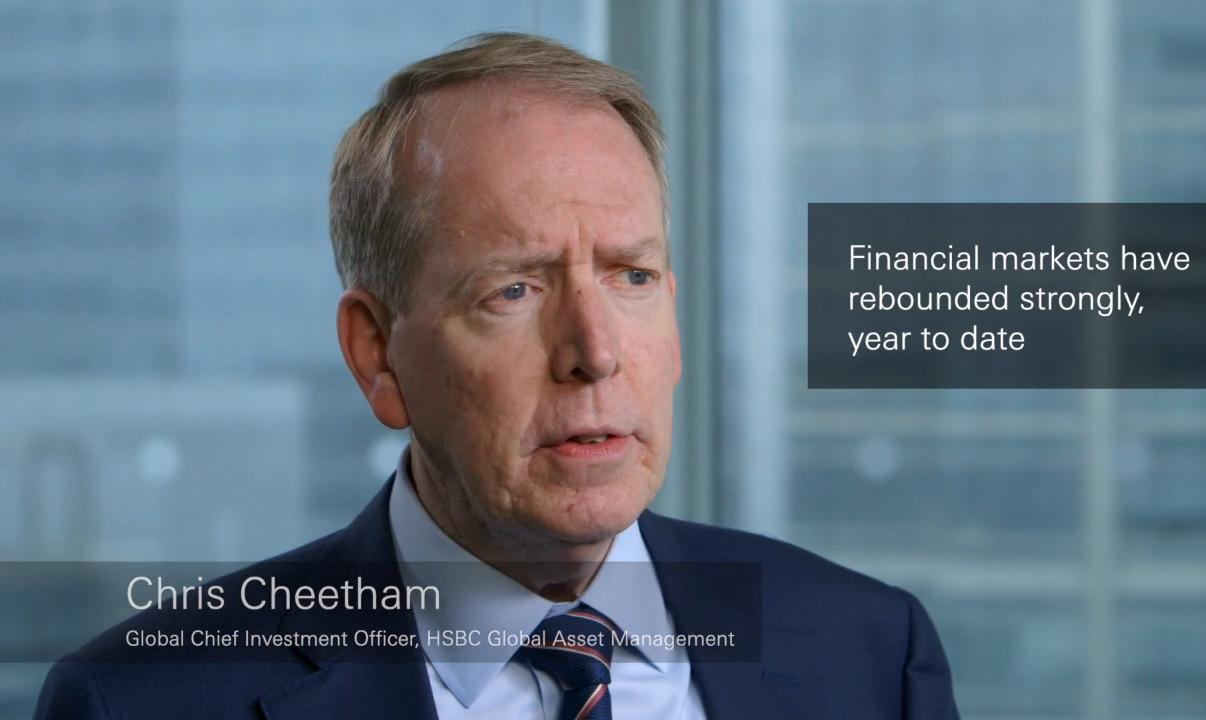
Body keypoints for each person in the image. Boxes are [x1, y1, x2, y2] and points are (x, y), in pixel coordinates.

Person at [36, 32, 959, 719]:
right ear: (377, 355)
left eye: (632, 278)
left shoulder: (871, 655)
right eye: (514, 290)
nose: (595, 351)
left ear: (674, 323)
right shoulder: (141, 700)